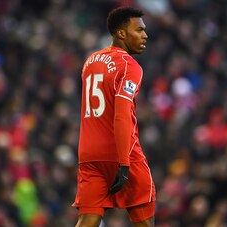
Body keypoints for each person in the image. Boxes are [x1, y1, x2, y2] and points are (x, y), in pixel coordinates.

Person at [72, 7, 156, 227]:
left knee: (88, 219)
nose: (145, 35)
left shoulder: (90, 61)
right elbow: (121, 115)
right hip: (121, 153)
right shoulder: (130, 66)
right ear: (121, 33)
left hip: (89, 155)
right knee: (144, 219)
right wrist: (125, 163)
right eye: (139, 30)